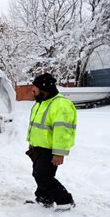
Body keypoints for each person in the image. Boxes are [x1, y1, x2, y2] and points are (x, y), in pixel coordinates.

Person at [26, 73, 77, 209]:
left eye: (35, 88)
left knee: (43, 176)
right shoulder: (42, 102)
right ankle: (44, 198)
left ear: (43, 89)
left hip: (50, 149)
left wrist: (59, 153)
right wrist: (32, 143)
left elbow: (63, 131)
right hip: (38, 148)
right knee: (39, 174)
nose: (33, 91)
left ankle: (65, 201)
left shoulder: (60, 105)